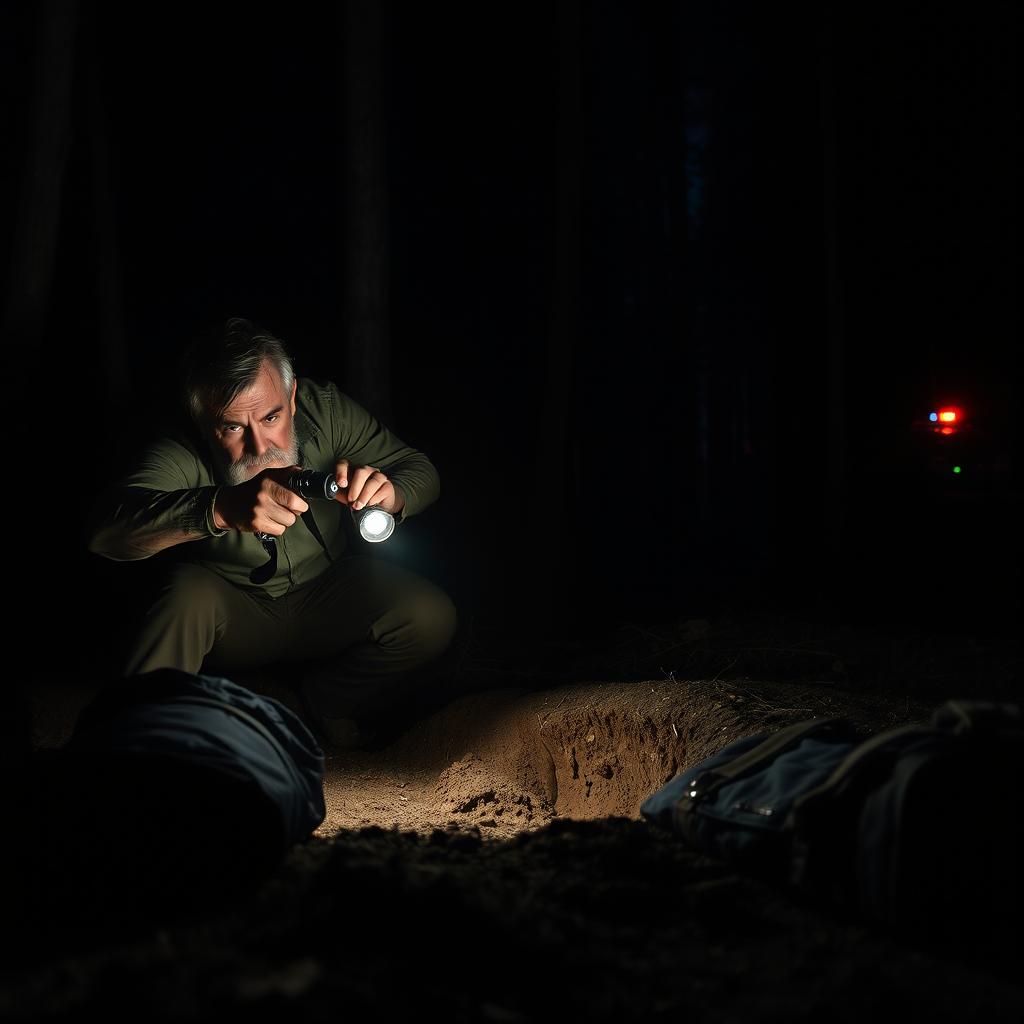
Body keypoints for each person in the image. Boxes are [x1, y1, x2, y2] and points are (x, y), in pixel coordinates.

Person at [87, 317, 459, 748]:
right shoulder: (179, 448)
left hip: (329, 591)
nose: (260, 447)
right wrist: (220, 509)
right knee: (184, 595)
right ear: (203, 423)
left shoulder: (329, 411)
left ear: (293, 397)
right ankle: (149, 743)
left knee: (431, 615)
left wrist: (389, 493)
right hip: (234, 610)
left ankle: (329, 700)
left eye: (271, 416)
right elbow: (106, 532)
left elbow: (421, 470)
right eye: (232, 427)